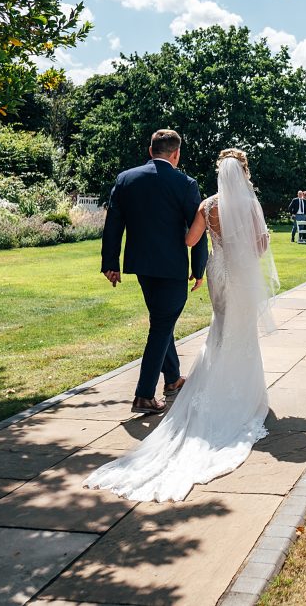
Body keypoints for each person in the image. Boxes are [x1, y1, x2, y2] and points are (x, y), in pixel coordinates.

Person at [87, 148, 277, 502]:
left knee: (218, 329)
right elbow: (261, 245)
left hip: (218, 273)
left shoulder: (208, 205)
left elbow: (191, 239)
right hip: (241, 274)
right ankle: (238, 391)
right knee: (241, 332)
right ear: (244, 173)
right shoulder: (251, 204)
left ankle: (184, 380)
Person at [101, 129, 208, 415]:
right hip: (172, 267)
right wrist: (199, 269)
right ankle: (144, 395)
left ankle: (172, 379)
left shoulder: (126, 179)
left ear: (151, 151)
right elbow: (198, 229)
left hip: (142, 266)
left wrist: (110, 262)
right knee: (161, 325)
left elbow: (113, 224)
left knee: (162, 320)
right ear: (176, 154)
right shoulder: (185, 183)